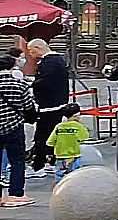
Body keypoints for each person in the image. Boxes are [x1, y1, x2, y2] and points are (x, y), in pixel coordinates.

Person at [27, 39, 69, 178]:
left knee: (42, 136)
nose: (31, 54)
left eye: (32, 51)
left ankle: (38, 166)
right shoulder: (57, 60)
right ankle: (51, 162)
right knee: (52, 136)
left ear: (38, 48)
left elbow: (45, 82)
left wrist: (31, 85)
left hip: (50, 106)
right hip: (57, 103)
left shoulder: (50, 63)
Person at [0, 54, 35, 206]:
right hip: (14, 126)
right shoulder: (19, 85)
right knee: (17, 161)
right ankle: (16, 194)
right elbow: (28, 106)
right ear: (12, 66)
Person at [46, 104, 88, 183]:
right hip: (74, 154)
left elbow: (50, 141)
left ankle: (59, 187)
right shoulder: (78, 126)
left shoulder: (59, 126)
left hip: (60, 154)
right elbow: (84, 137)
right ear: (76, 115)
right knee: (75, 174)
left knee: (60, 173)